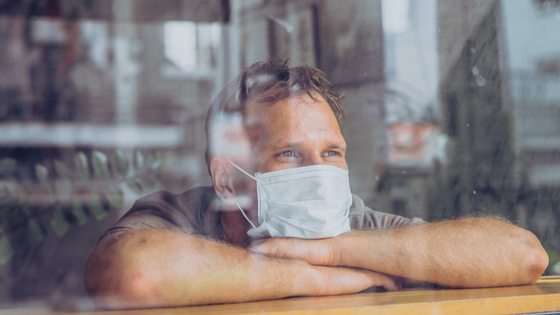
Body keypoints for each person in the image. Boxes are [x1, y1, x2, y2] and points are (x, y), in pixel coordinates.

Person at [84, 59, 548, 309]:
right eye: (289, 154)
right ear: (227, 179)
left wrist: (329, 252)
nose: (321, 173)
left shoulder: (355, 223)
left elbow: (523, 256)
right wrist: (310, 277)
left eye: (332, 154)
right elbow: (134, 273)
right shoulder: (177, 215)